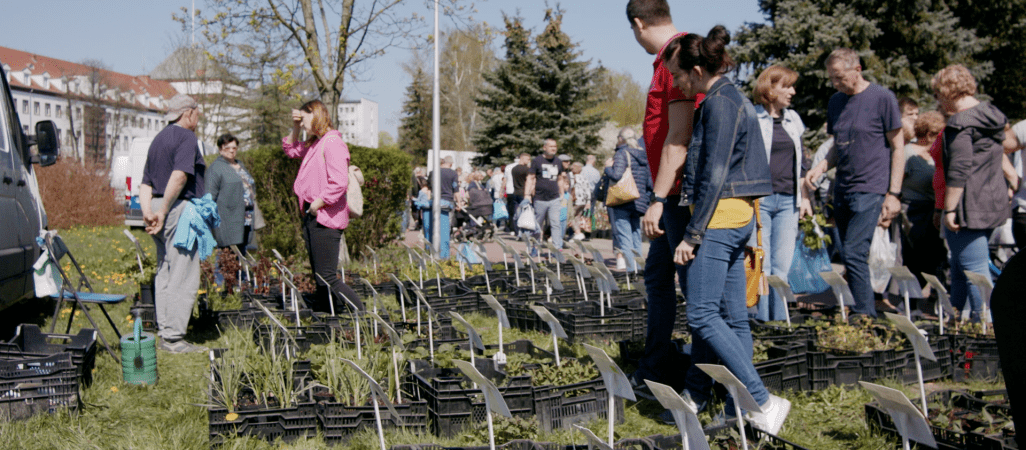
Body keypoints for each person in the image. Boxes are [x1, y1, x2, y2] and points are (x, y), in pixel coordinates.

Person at [664, 26, 790, 434]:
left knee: (701, 314)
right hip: (738, 218)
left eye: (680, 76)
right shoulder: (732, 99)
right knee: (735, 317)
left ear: (697, 70)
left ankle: (763, 401)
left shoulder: (719, 104)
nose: (678, 84)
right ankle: (739, 402)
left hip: (718, 218)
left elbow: (715, 174)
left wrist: (691, 234)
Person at [625, 0, 699, 400]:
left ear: (638, 23)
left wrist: (659, 196)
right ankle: (654, 368)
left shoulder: (677, 58)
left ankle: (701, 382)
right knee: (657, 278)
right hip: (667, 195)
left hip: (676, 196)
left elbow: (680, 135)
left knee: (695, 292)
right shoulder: (665, 61)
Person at [804, 48, 906, 318]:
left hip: (871, 187)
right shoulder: (836, 102)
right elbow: (838, 145)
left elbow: (898, 147)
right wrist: (822, 166)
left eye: (840, 77)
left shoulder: (882, 98)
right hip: (842, 188)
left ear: (857, 69)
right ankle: (858, 309)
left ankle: (864, 317)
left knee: (854, 252)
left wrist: (893, 194)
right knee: (849, 255)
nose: (836, 84)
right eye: (832, 79)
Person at [933, 64, 1010, 321]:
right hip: (992, 202)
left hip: (969, 206)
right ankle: (959, 322)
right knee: (960, 265)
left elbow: (960, 167)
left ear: (947, 92)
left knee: (975, 270)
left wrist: (949, 209)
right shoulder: (991, 115)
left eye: (938, 95)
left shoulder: (961, 122)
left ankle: (986, 329)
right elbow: (999, 152)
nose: (938, 102)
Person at [138, 93, 208, 354]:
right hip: (177, 210)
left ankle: (166, 331)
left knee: (165, 271)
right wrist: (164, 211)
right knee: (183, 273)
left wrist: (149, 211)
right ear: (188, 112)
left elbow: (145, 182)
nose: (198, 117)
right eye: (197, 112)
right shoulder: (187, 137)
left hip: (157, 207)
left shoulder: (158, 139)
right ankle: (174, 339)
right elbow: (179, 176)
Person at [282, 99, 364, 313]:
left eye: (305, 117)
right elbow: (290, 150)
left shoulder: (332, 142)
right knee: (320, 277)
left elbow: (338, 183)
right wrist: (296, 127)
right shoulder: (316, 143)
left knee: (327, 276)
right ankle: (329, 317)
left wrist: (317, 205)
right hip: (314, 216)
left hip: (325, 217)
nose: (303, 122)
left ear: (316, 114)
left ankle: (363, 315)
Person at [750, 65, 812, 322]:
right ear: (770, 88)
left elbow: (803, 162)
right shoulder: (753, 118)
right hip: (761, 201)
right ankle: (762, 322)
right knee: (761, 264)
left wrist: (806, 197)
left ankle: (780, 322)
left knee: (782, 268)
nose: (792, 91)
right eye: (786, 86)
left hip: (789, 201)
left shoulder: (794, 119)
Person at [900, 111, 947, 295]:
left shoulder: (937, 154)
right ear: (929, 135)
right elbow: (895, 181)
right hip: (913, 212)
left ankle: (936, 297)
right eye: (938, 134)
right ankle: (912, 299)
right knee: (915, 258)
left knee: (936, 257)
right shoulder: (908, 153)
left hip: (935, 210)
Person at [206, 133, 264, 257]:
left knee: (241, 254)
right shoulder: (216, 168)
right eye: (227, 148)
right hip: (228, 220)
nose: (231, 151)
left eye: (234, 148)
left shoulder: (240, 165)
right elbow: (209, 196)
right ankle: (226, 277)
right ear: (221, 149)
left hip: (246, 217)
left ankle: (241, 276)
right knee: (227, 257)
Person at [605, 127, 653, 272]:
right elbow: (648, 181)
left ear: (621, 138)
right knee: (636, 237)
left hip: (623, 200)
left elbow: (616, 175)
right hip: (638, 201)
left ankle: (632, 271)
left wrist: (607, 168)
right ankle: (639, 269)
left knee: (625, 237)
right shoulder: (642, 155)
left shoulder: (622, 153)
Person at [525, 139, 565, 249]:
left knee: (555, 223)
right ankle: (535, 246)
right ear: (544, 148)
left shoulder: (558, 161)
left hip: (554, 198)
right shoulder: (537, 160)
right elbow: (530, 178)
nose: (553, 148)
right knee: (538, 224)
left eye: (555, 146)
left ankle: (557, 247)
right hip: (540, 198)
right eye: (551, 146)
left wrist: (562, 193)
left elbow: (560, 178)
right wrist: (527, 195)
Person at [425, 156, 459, 258]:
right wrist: (459, 203)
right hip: (447, 202)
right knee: (445, 227)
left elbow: (428, 189)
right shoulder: (453, 173)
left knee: (433, 226)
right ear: (451, 164)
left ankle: (431, 251)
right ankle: (444, 253)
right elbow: (456, 190)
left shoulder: (433, 172)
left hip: (434, 201)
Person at [507, 153, 530, 233]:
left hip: (515, 192)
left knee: (516, 213)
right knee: (525, 213)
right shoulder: (526, 169)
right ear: (522, 158)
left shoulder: (514, 169)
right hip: (524, 193)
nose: (528, 161)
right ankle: (524, 231)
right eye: (527, 159)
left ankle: (516, 231)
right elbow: (529, 181)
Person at [570, 162, 590, 241]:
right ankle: (577, 235)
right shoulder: (584, 178)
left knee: (571, 217)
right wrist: (588, 201)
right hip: (583, 201)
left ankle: (578, 233)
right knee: (577, 217)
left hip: (575, 201)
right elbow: (587, 190)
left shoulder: (572, 177)